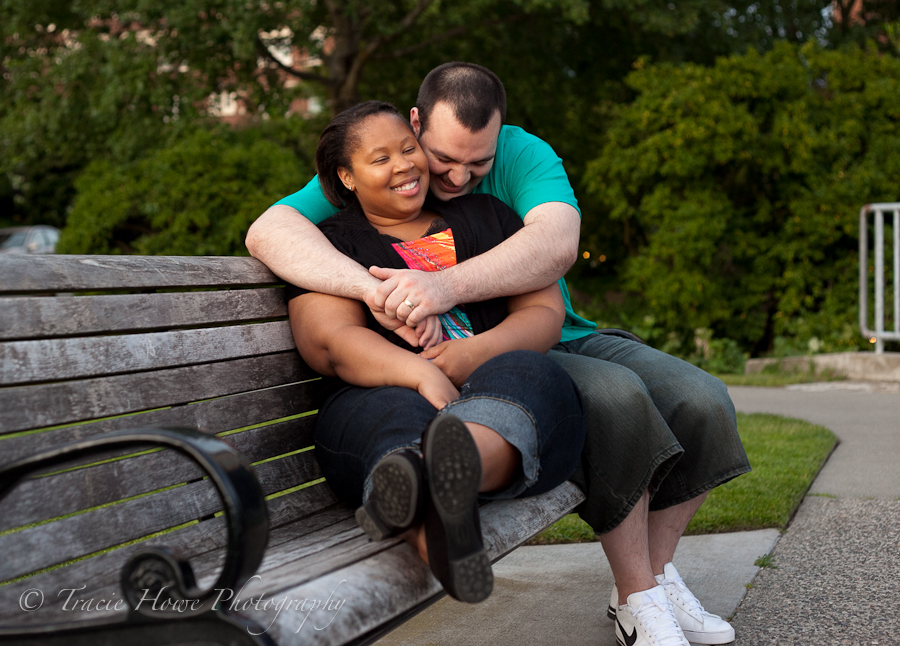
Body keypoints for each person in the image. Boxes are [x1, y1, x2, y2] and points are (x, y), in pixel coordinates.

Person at [247, 62, 751, 646]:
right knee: (608, 397)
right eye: (440, 156)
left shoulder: (513, 173)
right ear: (414, 128)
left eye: (477, 163)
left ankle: (651, 581)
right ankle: (631, 589)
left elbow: (557, 246)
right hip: (420, 380)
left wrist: (444, 294)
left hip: (533, 344)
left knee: (703, 400)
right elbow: (275, 236)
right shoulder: (359, 192)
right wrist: (373, 293)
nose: (457, 176)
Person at [287, 100, 586, 604]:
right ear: (347, 176)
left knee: (536, 375)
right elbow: (330, 343)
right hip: (379, 396)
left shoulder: (488, 217)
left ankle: (427, 485)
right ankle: (434, 503)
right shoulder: (329, 245)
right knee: (388, 413)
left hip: (493, 383)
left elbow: (544, 311)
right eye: (380, 159)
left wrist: (474, 354)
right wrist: (419, 373)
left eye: (408, 148)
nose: (404, 165)